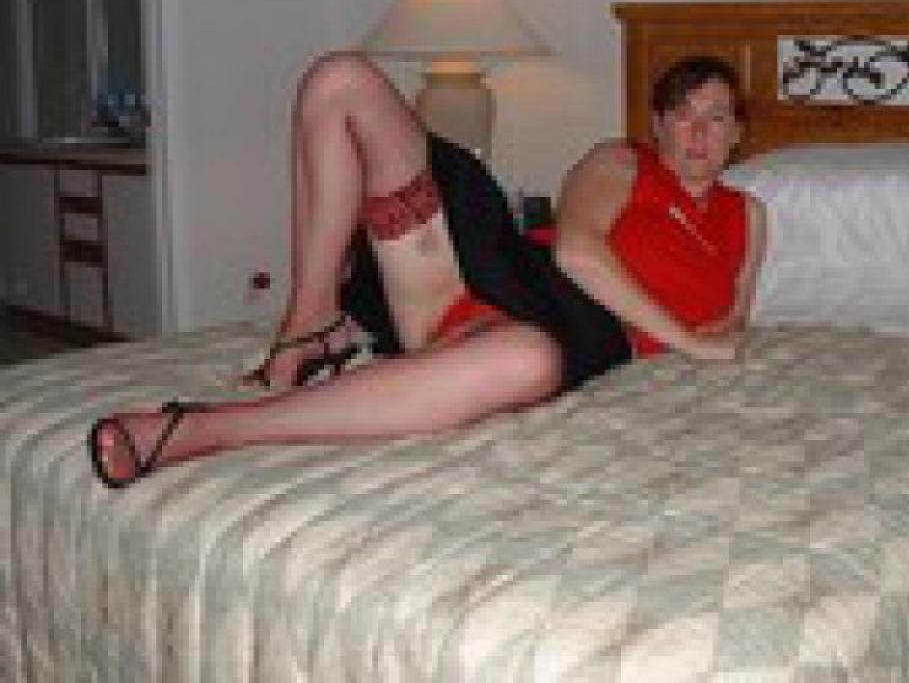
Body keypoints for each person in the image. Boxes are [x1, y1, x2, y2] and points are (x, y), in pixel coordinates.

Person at [87, 53, 764, 488]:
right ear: (657, 125)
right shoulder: (619, 161)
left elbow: (734, 314)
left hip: (538, 337)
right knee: (339, 80)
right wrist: (689, 343)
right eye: (683, 115)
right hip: (501, 271)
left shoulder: (749, 215)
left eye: (717, 117)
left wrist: (716, 335)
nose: (699, 132)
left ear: (738, 134)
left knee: (528, 359)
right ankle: (309, 320)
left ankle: (206, 429)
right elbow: (577, 254)